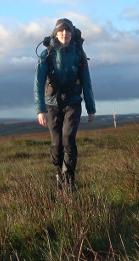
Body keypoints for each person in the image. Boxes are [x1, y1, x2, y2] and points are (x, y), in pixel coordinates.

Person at [34, 18, 96, 190]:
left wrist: (91, 109)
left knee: (68, 139)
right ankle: (59, 174)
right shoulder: (47, 55)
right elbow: (38, 83)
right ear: (55, 33)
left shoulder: (78, 53)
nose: (65, 34)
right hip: (52, 104)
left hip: (73, 102)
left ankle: (69, 180)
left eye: (67, 31)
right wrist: (40, 110)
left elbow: (86, 81)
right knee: (56, 142)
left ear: (71, 33)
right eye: (61, 31)